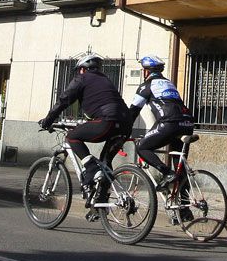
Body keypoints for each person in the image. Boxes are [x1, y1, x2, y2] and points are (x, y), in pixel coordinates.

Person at [38, 53, 129, 201]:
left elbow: (64, 100)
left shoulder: (82, 78)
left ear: (82, 69)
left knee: (72, 137)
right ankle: (100, 201)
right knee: (106, 163)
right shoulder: (105, 80)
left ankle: (91, 168)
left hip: (107, 121)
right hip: (125, 124)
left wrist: (48, 120)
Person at [127, 55, 194, 190]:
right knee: (180, 169)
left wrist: (123, 130)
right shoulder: (169, 83)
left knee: (142, 147)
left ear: (147, 71)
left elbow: (133, 111)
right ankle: (184, 208)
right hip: (187, 123)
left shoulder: (146, 86)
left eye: (143, 70)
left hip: (170, 123)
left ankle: (166, 173)